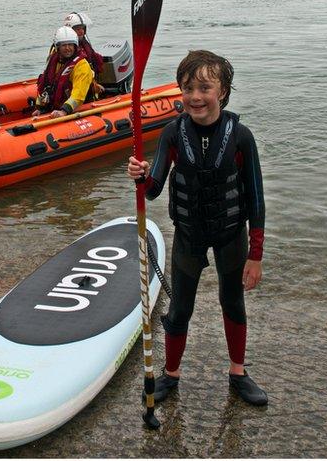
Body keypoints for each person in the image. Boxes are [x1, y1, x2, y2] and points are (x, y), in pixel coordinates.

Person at [126, 50, 267, 407]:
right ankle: (171, 374)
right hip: (188, 235)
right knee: (179, 310)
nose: (195, 96)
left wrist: (256, 256)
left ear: (223, 90)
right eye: (188, 88)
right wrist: (142, 176)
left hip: (230, 234)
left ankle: (238, 372)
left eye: (205, 87)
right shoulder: (174, 133)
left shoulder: (241, 137)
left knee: (231, 302)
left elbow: (256, 201)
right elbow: (154, 188)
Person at [34, 26, 94, 118]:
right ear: (57, 47)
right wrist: (40, 108)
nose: (67, 48)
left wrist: (64, 111)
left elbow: (78, 95)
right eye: (64, 45)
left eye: (70, 44)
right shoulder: (54, 61)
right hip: (56, 108)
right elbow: (46, 86)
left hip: (77, 109)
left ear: (75, 46)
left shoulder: (81, 65)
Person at [63, 12, 105, 97]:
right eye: (77, 29)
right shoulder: (67, 50)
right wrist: (94, 85)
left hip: (88, 81)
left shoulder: (83, 43)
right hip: (73, 87)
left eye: (82, 28)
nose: (81, 31)